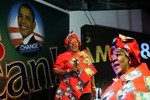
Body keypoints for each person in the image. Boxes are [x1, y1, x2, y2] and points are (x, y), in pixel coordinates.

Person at [100, 34, 150, 100]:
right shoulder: (108, 91)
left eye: (118, 54)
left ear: (129, 59)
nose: (114, 59)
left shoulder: (145, 79)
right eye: (112, 58)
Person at [53, 31, 97, 100]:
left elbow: (90, 72)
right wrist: (69, 70)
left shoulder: (84, 55)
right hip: (70, 91)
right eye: (71, 42)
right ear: (67, 45)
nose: (74, 44)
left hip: (86, 91)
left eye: (75, 42)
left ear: (78, 44)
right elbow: (55, 72)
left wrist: (93, 86)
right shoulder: (62, 56)